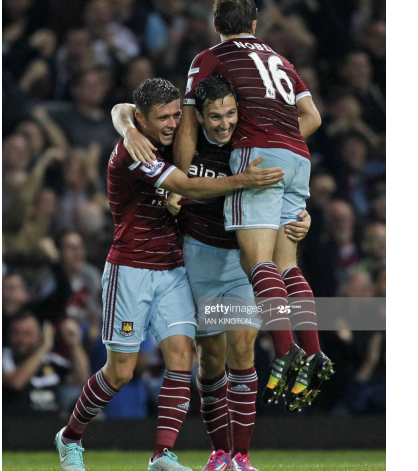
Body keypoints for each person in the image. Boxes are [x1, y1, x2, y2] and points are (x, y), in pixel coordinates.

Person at [54, 77, 284, 471]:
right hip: (130, 270)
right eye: (163, 117)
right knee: (119, 372)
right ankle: (70, 437)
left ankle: (162, 455)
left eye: (177, 114)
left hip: (173, 269)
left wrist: (125, 120)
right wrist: (243, 181)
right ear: (142, 119)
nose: (173, 124)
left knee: (182, 358)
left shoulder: (159, 137)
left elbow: (121, 110)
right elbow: (184, 185)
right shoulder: (134, 151)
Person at [127, 0, 334, 414]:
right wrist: (284, 143)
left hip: (259, 160)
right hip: (299, 157)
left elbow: (186, 129)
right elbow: (312, 117)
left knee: (257, 263)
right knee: (287, 263)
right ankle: (314, 352)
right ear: (255, 25)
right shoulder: (280, 59)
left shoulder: (209, 59)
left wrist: (176, 183)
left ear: (215, 26)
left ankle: (285, 351)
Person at [113, 76, 311, 471]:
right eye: (215, 116)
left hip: (239, 262)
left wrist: (303, 218)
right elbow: (121, 109)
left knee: (242, 350)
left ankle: (241, 456)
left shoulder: (250, 143)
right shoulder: (185, 144)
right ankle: (219, 452)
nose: (224, 123)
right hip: (196, 261)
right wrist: (129, 127)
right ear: (198, 116)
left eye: (230, 114)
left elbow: (288, 187)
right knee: (210, 362)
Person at [3, 311, 90, 416]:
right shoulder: (5, 357)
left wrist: (75, 345)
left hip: (51, 426)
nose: (22, 339)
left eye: (27, 334)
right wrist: (45, 347)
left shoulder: (51, 361)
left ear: (39, 336)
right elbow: (16, 383)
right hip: (16, 426)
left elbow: (80, 378)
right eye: (16, 333)